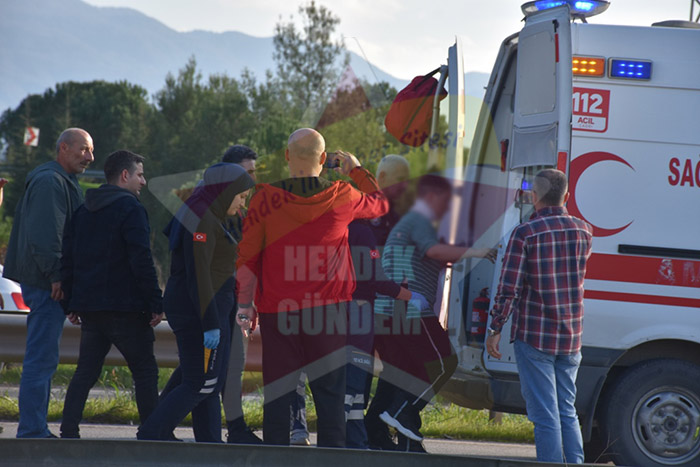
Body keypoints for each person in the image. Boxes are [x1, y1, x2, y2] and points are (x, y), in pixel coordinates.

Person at [235, 128, 389, 447]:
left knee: (278, 395)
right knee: (330, 396)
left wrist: (245, 303)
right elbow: (380, 205)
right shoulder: (342, 195)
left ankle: (275, 458)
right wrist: (356, 169)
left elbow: (247, 257)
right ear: (323, 159)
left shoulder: (264, 198)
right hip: (328, 314)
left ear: (287, 156)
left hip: (279, 312)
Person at [374, 174, 496, 447]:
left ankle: (385, 435)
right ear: (431, 196)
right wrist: (477, 252)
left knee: (401, 375)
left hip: (387, 311)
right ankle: (401, 412)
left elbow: (428, 257)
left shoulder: (408, 223)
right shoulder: (419, 220)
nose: (447, 208)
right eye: (446, 201)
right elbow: (433, 251)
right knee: (443, 362)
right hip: (408, 309)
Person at [137, 163, 254, 442]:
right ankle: (153, 434)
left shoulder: (210, 213)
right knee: (201, 382)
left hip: (210, 307)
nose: (242, 203)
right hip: (200, 311)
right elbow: (199, 275)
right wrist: (210, 323)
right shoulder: (202, 218)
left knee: (206, 381)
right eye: (240, 197)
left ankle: (208, 446)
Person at [486, 169, 593, 464]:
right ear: (566, 196)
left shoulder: (525, 233)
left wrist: (495, 327)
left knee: (545, 415)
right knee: (567, 411)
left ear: (534, 196)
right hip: (571, 337)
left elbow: (509, 288)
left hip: (535, 335)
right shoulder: (584, 231)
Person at [59, 150, 163, 439]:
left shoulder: (83, 210)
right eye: (140, 175)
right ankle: (151, 434)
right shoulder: (131, 208)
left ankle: (68, 431)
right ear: (125, 175)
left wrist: (70, 302)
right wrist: (155, 301)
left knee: (86, 372)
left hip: (91, 309)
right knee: (145, 371)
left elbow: (69, 258)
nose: (143, 181)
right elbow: (140, 259)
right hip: (127, 308)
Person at [3, 128, 94, 438]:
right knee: (41, 359)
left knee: (44, 358)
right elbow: (45, 236)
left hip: (47, 281)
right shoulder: (50, 182)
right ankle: (32, 431)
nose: (90, 157)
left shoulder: (59, 180)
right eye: (83, 149)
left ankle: (35, 428)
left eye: (90, 150)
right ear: (63, 148)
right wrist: (56, 275)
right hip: (46, 284)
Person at [362, 155, 411, 450]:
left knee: (393, 369)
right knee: (366, 369)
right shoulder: (368, 210)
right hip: (373, 304)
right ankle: (365, 429)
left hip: (389, 305)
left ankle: (372, 427)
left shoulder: (402, 212)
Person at [218, 144, 263, 444]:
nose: (253, 179)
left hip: (237, 301)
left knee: (224, 369)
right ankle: (233, 429)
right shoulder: (220, 214)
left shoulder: (241, 212)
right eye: (248, 172)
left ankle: (232, 428)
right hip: (225, 301)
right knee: (225, 369)